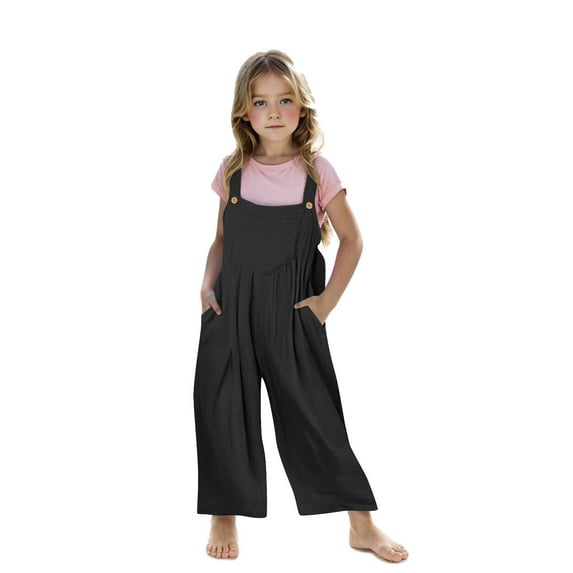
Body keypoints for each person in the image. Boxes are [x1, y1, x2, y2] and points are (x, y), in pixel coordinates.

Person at [193, 49, 408, 563]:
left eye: (284, 100)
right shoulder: (233, 171)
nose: (273, 111)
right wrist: (206, 286)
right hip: (230, 310)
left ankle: (361, 524)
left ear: (302, 107)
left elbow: (353, 240)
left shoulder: (317, 172)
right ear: (244, 111)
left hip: (292, 316)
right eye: (260, 101)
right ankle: (225, 512)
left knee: (317, 415)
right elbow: (221, 238)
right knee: (221, 408)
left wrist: (324, 304)